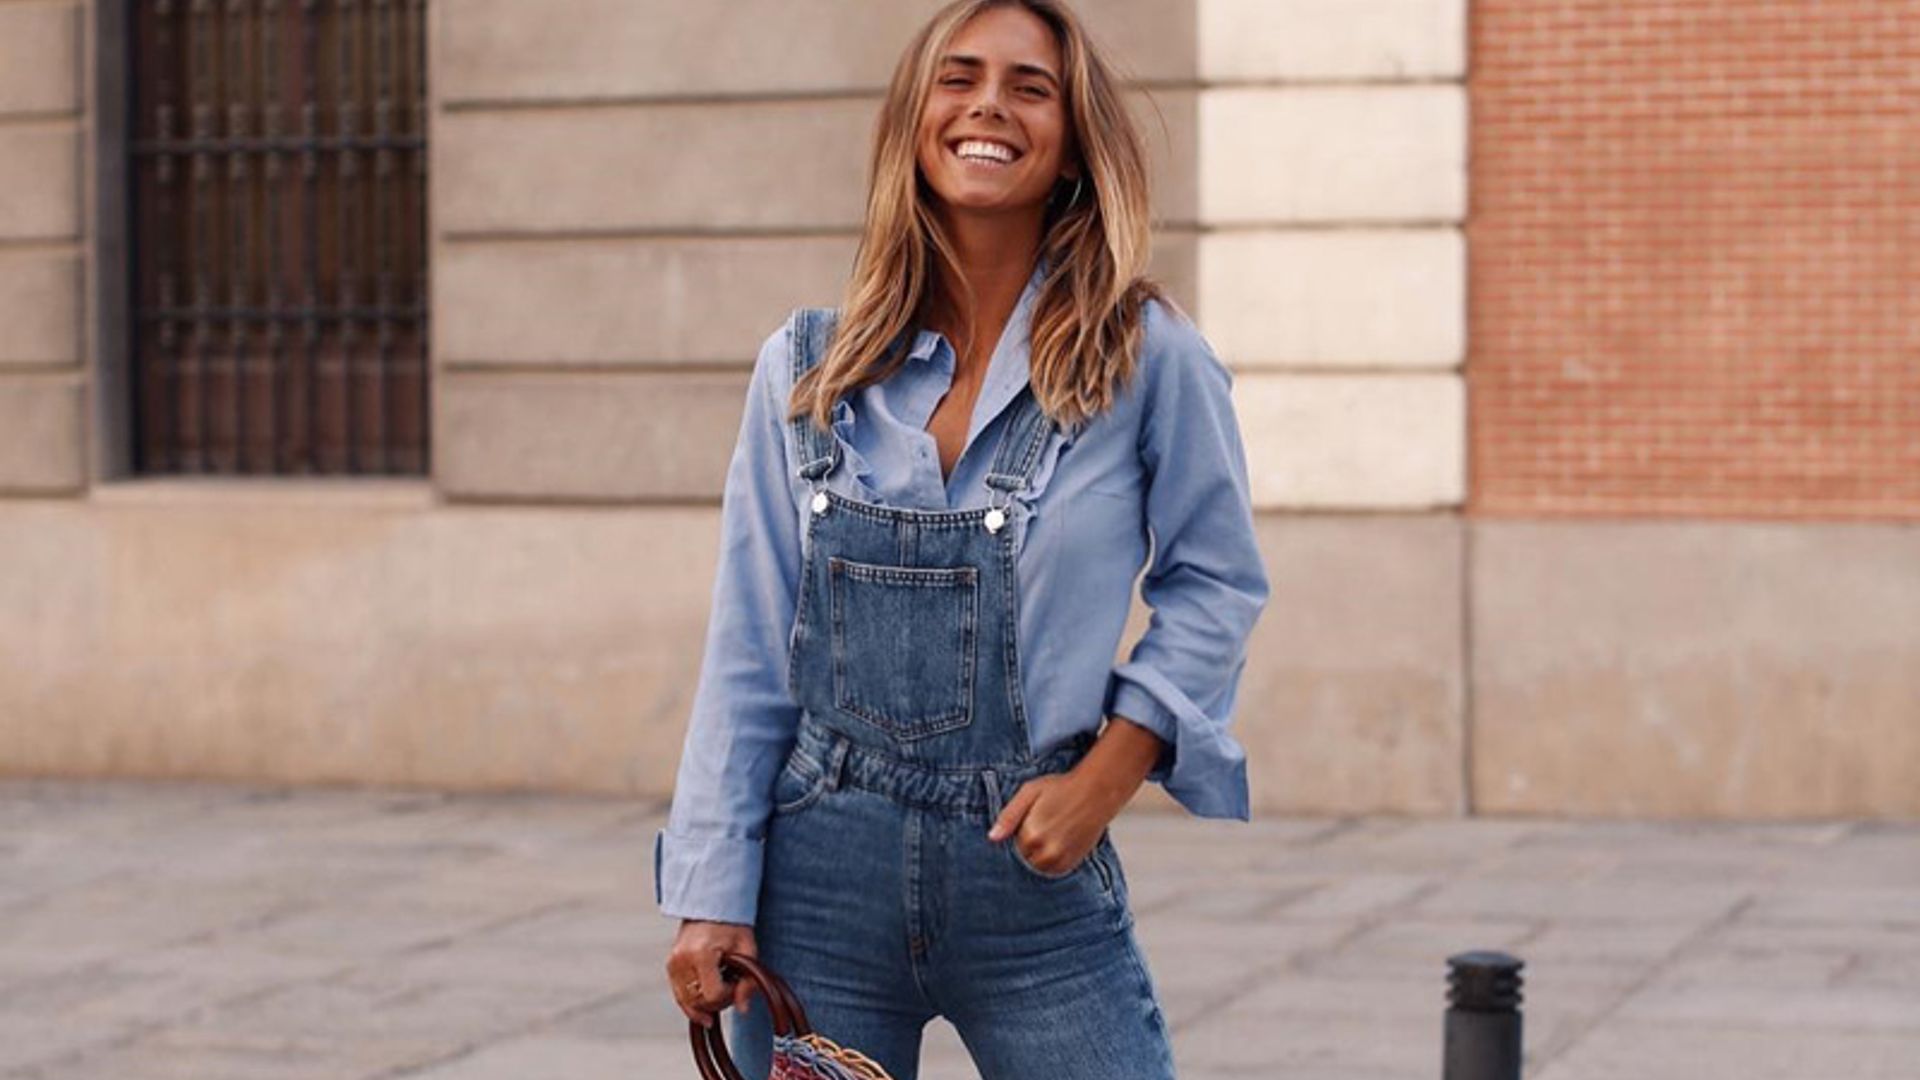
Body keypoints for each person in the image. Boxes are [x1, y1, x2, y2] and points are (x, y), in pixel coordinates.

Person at [655, 2, 1269, 1076]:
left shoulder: (1145, 358)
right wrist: (709, 895)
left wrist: (1107, 778)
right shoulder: (805, 372)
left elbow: (1216, 583)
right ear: (912, 120)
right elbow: (748, 649)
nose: (989, 104)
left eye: (1029, 87)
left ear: (1074, 141)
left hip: (1031, 881)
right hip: (815, 889)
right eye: (959, 77)